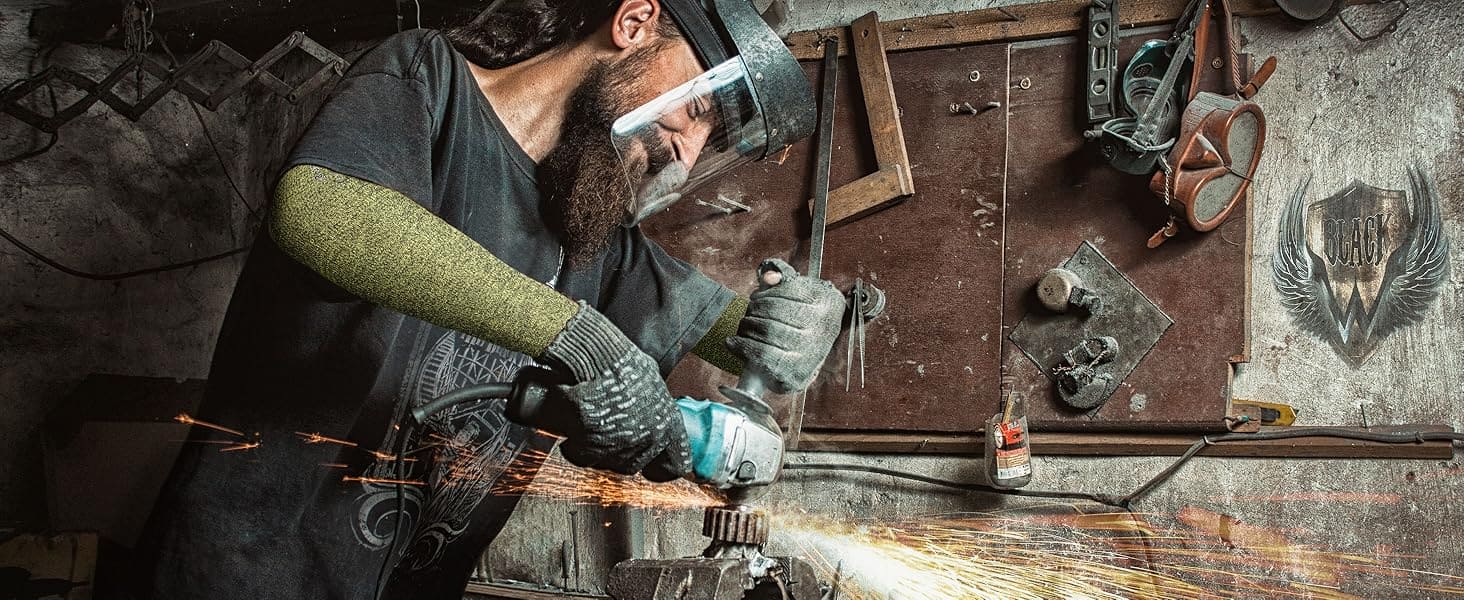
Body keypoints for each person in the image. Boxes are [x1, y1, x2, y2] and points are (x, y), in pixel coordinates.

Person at [130, 0, 845, 598]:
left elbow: (739, 331)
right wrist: (583, 339)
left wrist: (810, 319)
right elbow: (321, 207)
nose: (688, 153)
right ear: (633, 22)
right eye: (698, 108)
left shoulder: (587, 220)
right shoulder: (427, 78)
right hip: (245, 571)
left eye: (712, 140)